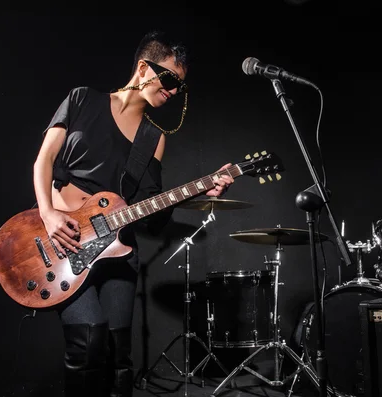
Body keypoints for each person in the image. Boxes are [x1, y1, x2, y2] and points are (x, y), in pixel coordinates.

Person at [32, 30, 234, 397]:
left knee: (117, 352)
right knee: (88, 337)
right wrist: (47, 212)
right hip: (63, 239)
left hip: (117, 250)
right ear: (144, 68)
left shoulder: (153, 138)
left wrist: (199, 193)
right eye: (170, 79)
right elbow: (44, 159)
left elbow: (152, 212)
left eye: (180, 86)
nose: (173, 91)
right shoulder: (82, 100)